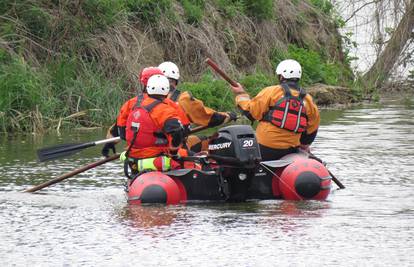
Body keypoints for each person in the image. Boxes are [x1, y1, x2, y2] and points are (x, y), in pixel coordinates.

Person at [229, 59, 320, 160]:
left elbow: (251, 112)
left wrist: (240, 94)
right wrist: (303, 146)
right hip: (291, 150)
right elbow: (311, 131)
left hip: (265, 147)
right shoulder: (309, 100)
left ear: (281, 76)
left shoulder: (271, 92)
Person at [158, 61, 237, 152]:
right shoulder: (182, 99)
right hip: (174, 150)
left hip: (153, 147)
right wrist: (227, 116)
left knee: (195, 139)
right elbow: (207, 117)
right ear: (176, 81)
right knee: (209, 141)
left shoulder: (145, 100)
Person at [121, 74, 185, 174]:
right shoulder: (164, 110)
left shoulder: (135, 106)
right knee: (192, 158)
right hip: (156, 159)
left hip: (133, 160)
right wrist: (174, 153)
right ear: (167, 90)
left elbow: (122, 131)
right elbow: (177, 132)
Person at [101, 67, 164, 157]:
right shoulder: (169, 104)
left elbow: (121, 131)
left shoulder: (130, 104)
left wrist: (109, 144)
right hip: (164, 154)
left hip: (135, 156)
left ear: (143, 82)